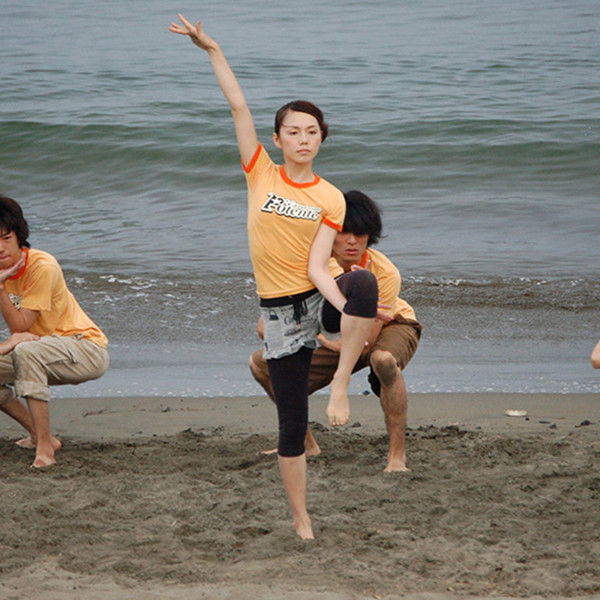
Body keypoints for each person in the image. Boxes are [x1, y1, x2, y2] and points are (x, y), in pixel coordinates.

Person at [169, 15, 378, 539]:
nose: (303, 139)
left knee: (361, 284)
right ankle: (302, 518)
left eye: (312, 132)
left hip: (315, 294)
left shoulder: (331, 198)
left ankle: (339, 386)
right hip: (280, 312)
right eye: (293, 132)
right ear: (278, 139)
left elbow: (317, 266)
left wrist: (340, 301)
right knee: (291, 423)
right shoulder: (260, 171)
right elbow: (238, 106)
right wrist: (211, 49)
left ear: (322, 139)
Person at [250, 191, 422, 472]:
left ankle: (397, 456)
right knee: (261, 363)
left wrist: (330, 339)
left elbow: (365, 342)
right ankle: (303, 443)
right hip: (334, 334)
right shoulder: (314, 266)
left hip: (391, 324)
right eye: (343, 232)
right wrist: (326, 341)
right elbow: (265, 327)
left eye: (360, 233)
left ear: (370, 235)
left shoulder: (385, 272)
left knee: (383, 360)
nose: (352, 241)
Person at [0, 194, 109, 468]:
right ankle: (42, 437)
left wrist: (0, 289)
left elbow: (20, 326)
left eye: (6, 238)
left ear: (19, 236)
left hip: (84, 348)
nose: (0, 248)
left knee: (26, 351)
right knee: (25, 350)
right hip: (37, 348)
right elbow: (18, 334)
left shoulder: (41, 266)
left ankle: (45, 449)